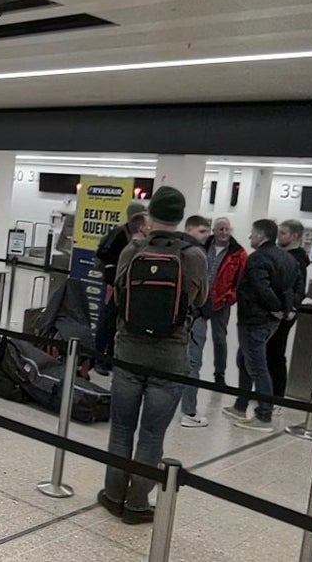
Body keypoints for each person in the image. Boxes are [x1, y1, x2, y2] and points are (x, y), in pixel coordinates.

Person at [97, 186, 207, 525]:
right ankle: (137, 505)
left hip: (129, 350)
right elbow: (200, 301)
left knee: (121, 429)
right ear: (180, 215)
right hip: (170, 355)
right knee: (151, 434)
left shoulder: (133, 249)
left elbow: (118, 294)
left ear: (151, 212)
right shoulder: (194, 255)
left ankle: (113, 494)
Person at [223, 219, 301, 432]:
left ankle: (264, 414)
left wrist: (276, 307)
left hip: (255, 319)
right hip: (271, 321)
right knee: (244, 359)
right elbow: (296, 287)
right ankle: (241, 404)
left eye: (252, 233)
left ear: (261, 235)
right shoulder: (287, 258)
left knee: (257, 366)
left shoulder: (257, 259)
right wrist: (286, 309)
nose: (250, 237)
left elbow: (261, 287)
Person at [93, 200, 148, 371]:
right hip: (115, 284)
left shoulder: (136, 236)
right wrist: (112, 277)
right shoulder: (120, 233)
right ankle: (99, 358)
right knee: (108, 322)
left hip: (127, 287)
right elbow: (104, 255)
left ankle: (110, 357)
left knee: (118, 324)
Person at [267, 219, 310, 400]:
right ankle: (268, 392)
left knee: (276, 352)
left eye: (283, 233)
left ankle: (276, 395)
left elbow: (295, 288)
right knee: (270, 351)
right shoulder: (284, 256)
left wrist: (287, 309)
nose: (279, 236)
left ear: (294, 236)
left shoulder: (295, 260)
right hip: (278, 310)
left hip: (284, 312)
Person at [200, 217, 247, 387]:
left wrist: (230, 297)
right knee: (196, 336)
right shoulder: (202, 247)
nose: (224, 233)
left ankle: (219, 374)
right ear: (214, 230)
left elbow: (242, 281)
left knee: (219, 339)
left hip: (221, 303)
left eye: (227, 229)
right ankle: (191, 369)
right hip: (200, 300)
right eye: (220, 229)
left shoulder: (238, 253)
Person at [178, 215, 213, 428]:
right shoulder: (196, 254)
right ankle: (189, 411)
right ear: (189, 229)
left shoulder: (171, 247)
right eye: (202, 231)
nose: (206, 235)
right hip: (193, 315)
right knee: (192, 363)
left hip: (173, 316)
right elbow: (202, 292)